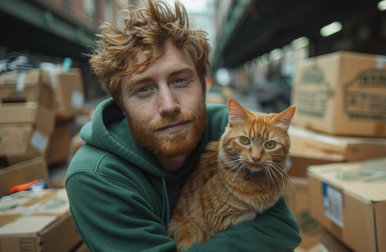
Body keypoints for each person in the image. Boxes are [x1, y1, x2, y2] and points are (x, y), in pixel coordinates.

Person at [65, 0, 302, 251]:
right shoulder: (94, 176)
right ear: (121, 105)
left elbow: (284, 229)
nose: (168, 106)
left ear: (203, 86)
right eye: (144, 89)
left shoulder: (229, 128)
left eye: (179, 81)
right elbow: (269, 235)